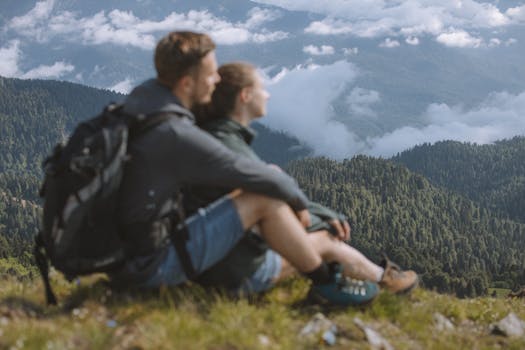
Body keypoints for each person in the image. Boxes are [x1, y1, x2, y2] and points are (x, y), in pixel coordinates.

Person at [108, 30, 380, 306]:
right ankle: (328, 284)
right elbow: (257, 177)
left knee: (267, 183)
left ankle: (371, 279)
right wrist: (301, 203)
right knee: (263, 195)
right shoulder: (177, 134)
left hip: (127, 255)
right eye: (211, 74)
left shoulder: (143, 104)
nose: (216, 81)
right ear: (188, 82)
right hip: (150, 265)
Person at [188, 62, 418, 297]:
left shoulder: (215, 137)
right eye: (261, 88)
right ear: (245, 96)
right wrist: (322, 218)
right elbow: (272, 196)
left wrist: (314, 212)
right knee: (326, 240)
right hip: (229, 276)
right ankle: (386, 282)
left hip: (209, 259)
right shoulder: (228, 146)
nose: (267, 94)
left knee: (274, 174)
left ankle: (375, 277)